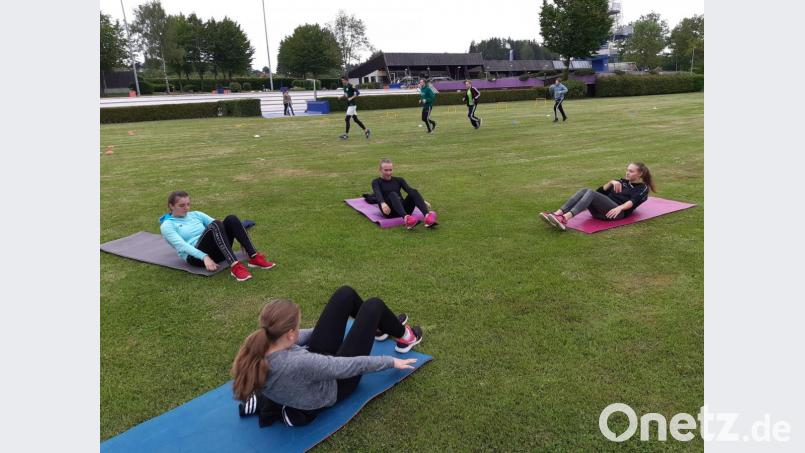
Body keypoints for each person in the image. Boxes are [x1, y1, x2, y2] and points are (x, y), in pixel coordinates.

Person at [231, 285, 424, 426]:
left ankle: (378, 327)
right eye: (297, 327)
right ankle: (406, 336)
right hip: (338, 385)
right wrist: (391, 362)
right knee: (373, 306)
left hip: (305, 378)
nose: (298, 330)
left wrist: (336, 325)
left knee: (345, 294)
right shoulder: (298, 363)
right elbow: (347, 367)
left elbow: (304, 337)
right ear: (289, 334)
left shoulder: (261, 343)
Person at [159, 190, 276, 281]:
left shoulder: (196, 214)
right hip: (196, 258)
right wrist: (204, 257)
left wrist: (238, 231)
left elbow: (221, 228)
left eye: (188, 204)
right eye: (182, 205)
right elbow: (182, 246)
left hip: (217, 252)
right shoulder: (167, 225)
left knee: (231, 218)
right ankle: (235, 267)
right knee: (216, 224)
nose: (187, 208)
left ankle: (254, 257)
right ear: (171, 206)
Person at [540, 162, 655, 231]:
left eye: (631, 171)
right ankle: (557, 214)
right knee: (585, 190)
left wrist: (620, 208)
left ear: (640, 174)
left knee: (589, 192)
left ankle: (564, 219)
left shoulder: (642, 188)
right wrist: (611, 182)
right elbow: (598, 192)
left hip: (615, 214)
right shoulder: (622, 181)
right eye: (627, 170)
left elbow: (633, 201)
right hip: (599, 212)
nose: (627, 173)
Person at [371, 158, 437, 229]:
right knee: (393, 194)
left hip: (404, 209)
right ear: (380, 170)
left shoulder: (399, 180)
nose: (389, 173)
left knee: (414, 191)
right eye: (386, 170)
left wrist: (421, 201)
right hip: (389, 211)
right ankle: (407, 220)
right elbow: (377, 193)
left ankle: (427, 218)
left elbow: (410, 190)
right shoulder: (376, 182)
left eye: (390, 170)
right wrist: (382, 203)